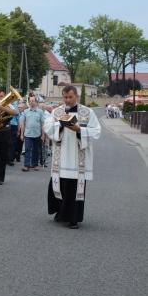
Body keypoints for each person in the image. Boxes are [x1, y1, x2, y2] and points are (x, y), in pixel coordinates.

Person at [45, 85, 101, 229]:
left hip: (78, 159)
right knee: (59, 185)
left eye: (70, 97)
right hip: (61, 157)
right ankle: (59, 211)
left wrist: (79, 130)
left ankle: (73, 218)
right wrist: (60, 125)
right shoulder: (57, 112)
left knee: (74, 189)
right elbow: (48, 127)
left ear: (77, 96)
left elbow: (96, 131)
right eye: (65, 97)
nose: (68, 100)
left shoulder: (87, 112)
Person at [19, 95, 45, 172]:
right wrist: (21, 134)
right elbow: (23, 123)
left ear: (36, 102)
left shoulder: (40, 112)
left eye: (33, 101)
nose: (31, 102)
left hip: (37, 133)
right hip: (28, 134)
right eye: (30, 101)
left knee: (36, 150)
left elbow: (42, 124)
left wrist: (43, 135)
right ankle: (26, 165)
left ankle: (35, 164)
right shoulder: (26, 111)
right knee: (27, 149)